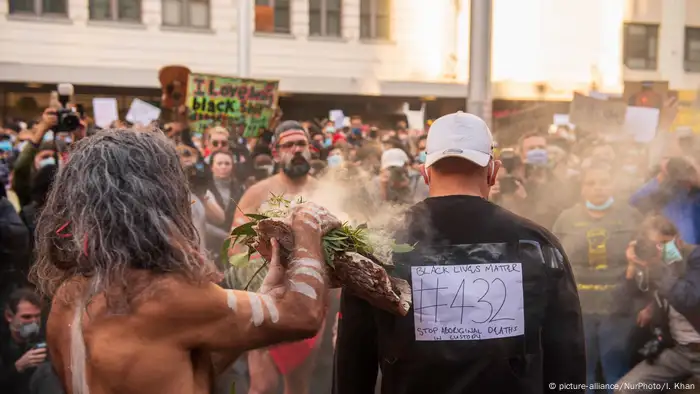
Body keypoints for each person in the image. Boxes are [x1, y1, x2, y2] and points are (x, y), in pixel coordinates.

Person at [30, 128, 335, 394]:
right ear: (159, 200)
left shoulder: (67, 297)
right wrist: (307, 220)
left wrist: (265, 298)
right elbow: (302, 314)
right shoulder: (164, 295)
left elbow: (177, 362)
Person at [334, 111, 586, 394]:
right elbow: (568, 356)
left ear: (425, 172)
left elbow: (353, 362)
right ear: (493, 171)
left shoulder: (376, 244)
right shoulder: (537, 245)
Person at [227, 120, 324, 394]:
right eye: (288, 145)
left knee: (298, 383)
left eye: (301, 144)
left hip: (310, 299)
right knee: (262, 385)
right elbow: (235, 246)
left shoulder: (322, 191)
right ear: (276, 153)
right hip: (265, 298)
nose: (296, 150)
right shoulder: (258, 192)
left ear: (311, 149)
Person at [553, 163, 642, 393]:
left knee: (617, 372)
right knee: (584, 372)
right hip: (580, 308)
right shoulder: (566, 218)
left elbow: (651, 254)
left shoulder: (631, 215)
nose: (598, 188)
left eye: (604, 182)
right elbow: (554, 261)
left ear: (613, 185)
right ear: (582, 188)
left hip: (619, 308)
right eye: (591, 183)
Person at [616, 215, 700, 393]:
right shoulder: (652, 264)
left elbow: (689, 299)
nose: (659, 250)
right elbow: (621, 305)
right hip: (679, 351)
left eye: (664, 243)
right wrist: (632, 267)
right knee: (625, 389)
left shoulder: (695, 257)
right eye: (653, 245)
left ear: (678, 240)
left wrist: (658, 267)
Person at [0, 288, 46, 394]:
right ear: (9, 316)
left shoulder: (45, 337)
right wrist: (19, 367)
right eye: (27, 317)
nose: (34, 322)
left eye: (37, 316)